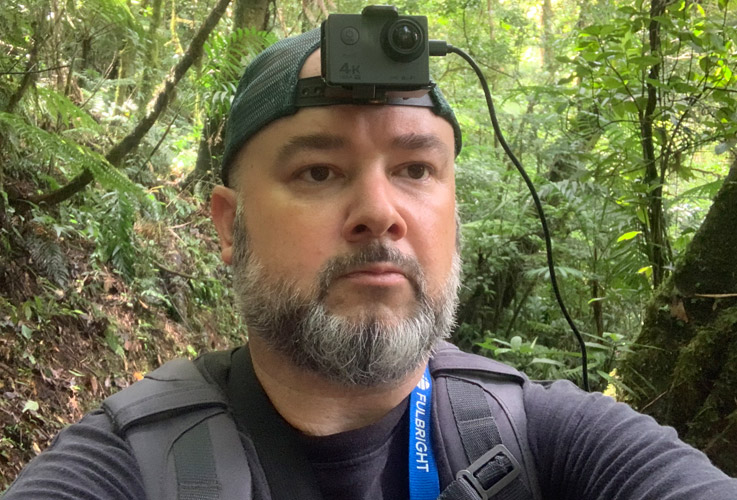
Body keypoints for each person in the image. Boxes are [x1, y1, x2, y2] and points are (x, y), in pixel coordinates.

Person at [4, 26, 737, 500]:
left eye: (416, 170)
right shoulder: (127, 469)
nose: (380, 210)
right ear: (230, 227)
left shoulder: (556, 443)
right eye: (319, 171)